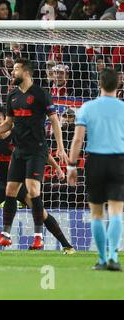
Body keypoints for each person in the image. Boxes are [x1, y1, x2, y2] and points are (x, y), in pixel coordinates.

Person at [0, 108, 75, 254]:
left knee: (41, 214)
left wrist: (57, 168)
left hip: (22, 184)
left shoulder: (20, 136)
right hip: (1, 183)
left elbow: (42, 152)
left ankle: (67, 246)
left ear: (7, 121)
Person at [0, 57, 69, 250]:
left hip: (36, 150)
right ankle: (5, 234)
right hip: (19, 150)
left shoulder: (40, 94)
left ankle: (38, 236)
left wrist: (60, 147)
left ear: (26, 72)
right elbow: (8, 122)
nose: (12, 72)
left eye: (15, 69)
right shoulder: (12, 96)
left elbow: (55, 121)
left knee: (32, 191)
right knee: (10, 191)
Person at [68, 68, 124, 271]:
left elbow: (77, 139)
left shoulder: (87, 108)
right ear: (118, 85)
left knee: (97, 214)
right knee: (117, 212)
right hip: (119, 161)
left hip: (95, 162)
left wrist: (71, 166)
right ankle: (113, 257)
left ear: (99, 84)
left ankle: (101, 260)